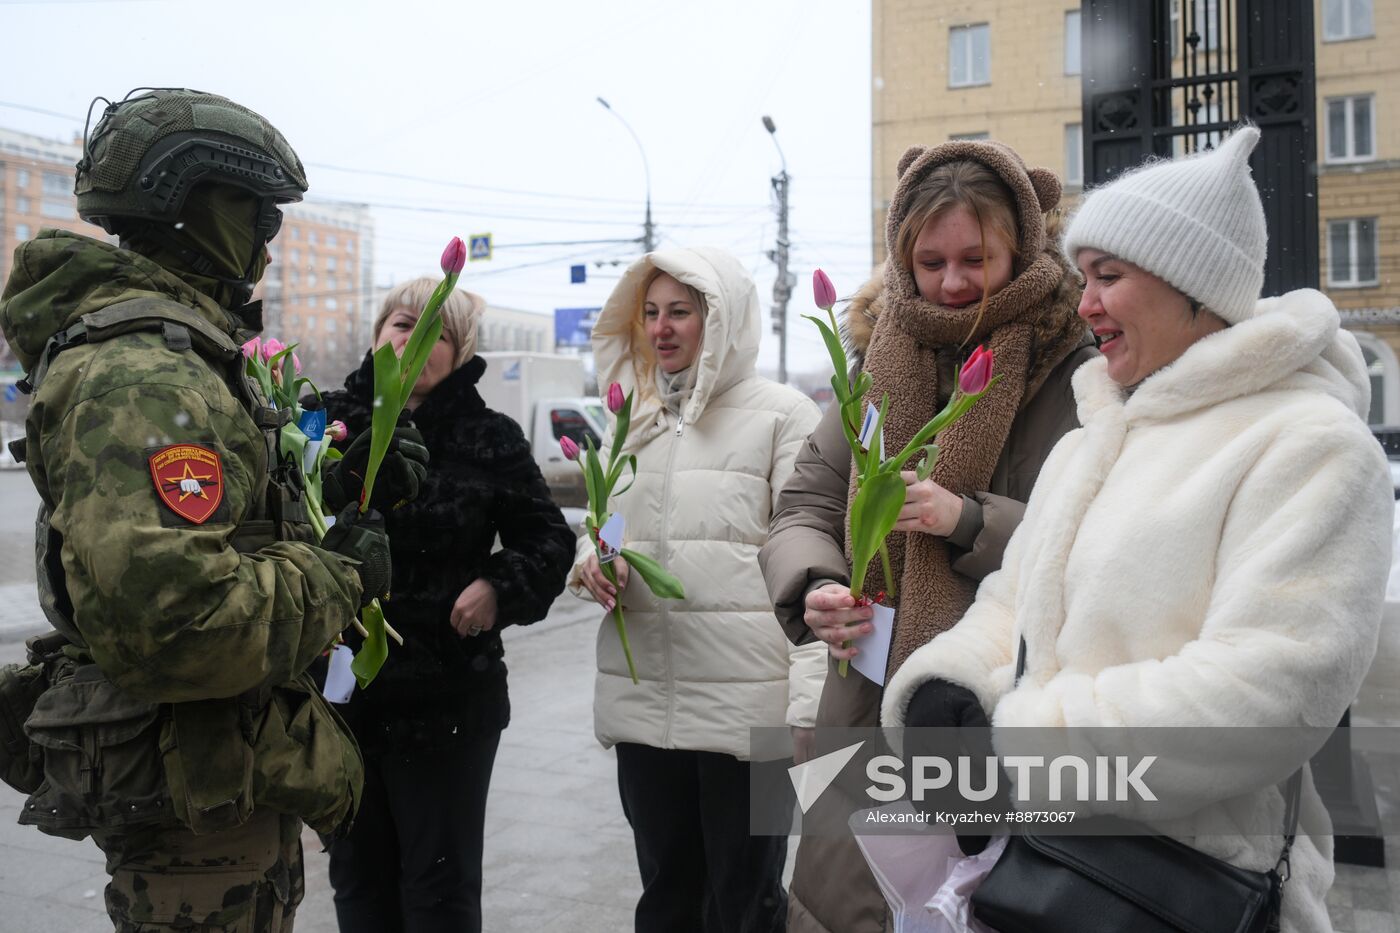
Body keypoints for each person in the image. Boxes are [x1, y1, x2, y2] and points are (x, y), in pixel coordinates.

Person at [882, 126, 1394, 932]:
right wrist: (951, 686)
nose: (1084, 305)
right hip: (1049, 872)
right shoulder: (1096, 441)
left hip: (1186, 885)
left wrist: (1026, 747)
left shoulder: (1309, 448)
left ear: (1192, 287)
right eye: (1084, 278)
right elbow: (1015, 605)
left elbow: (1272, 689)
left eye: (1108, 277)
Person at [0, 88, 425, 931]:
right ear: (186, 206)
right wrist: (338, 573)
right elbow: (182, 625)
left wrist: (326, 496)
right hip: (194, 815)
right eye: (256, 212)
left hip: (215, 786)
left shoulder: (176, 352)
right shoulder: (145, 374)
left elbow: (212, 529)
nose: (270, 238)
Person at [758, 139, 1097, 932]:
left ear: (1022, 244)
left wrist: (968, 520)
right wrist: (818, 585)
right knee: (853, 906)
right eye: (930, 259)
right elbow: (806, 504)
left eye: (975, 257)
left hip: (998, 711)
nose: (950, 283)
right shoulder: (875, 364)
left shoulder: (1071, 366)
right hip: (864, 707)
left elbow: (1094, 536)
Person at [570, 247, 825, 933]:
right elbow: (609, 525)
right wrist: (593, 560)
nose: (661, 328)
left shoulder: (785, 416)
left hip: (756, 718)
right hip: (647, 709)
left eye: (680, 311)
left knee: (748, 906)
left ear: (723, 317)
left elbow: (817, 564)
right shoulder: (635, 423)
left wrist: (808, 707)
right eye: (650, 313)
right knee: (666, 901)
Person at [319, 279, 575, 933]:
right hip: (338, 700)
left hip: (446, 701)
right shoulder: (323, 422)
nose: (416, 341)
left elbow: (548, 537)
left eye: (440, 333)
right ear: (379, 332)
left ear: (460, 354)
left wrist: (498, 586)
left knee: (438, 891)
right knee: (358, 881)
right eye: (405, 324)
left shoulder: (488, 435)